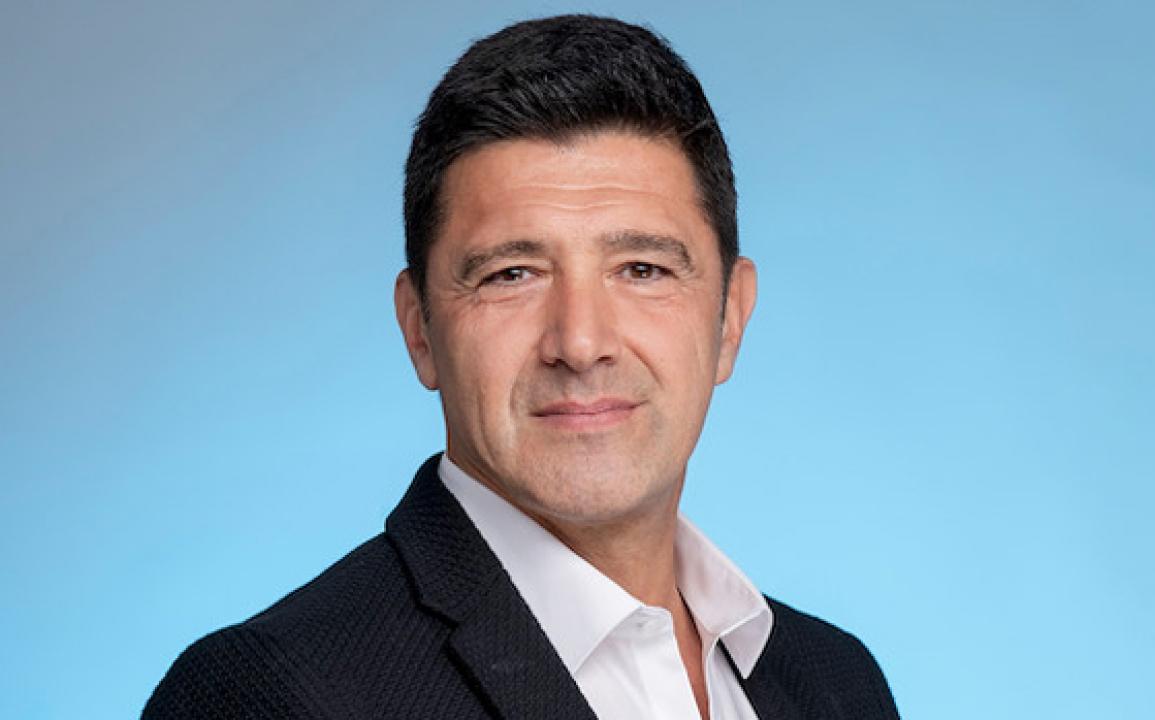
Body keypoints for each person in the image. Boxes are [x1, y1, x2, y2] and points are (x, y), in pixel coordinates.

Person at [143, 14, 899, 720]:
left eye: (642, 269)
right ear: (420, 330)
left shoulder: (836, 682)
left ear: (729, 317)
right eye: (512, 274)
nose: (581, 342)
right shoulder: (269, 694)